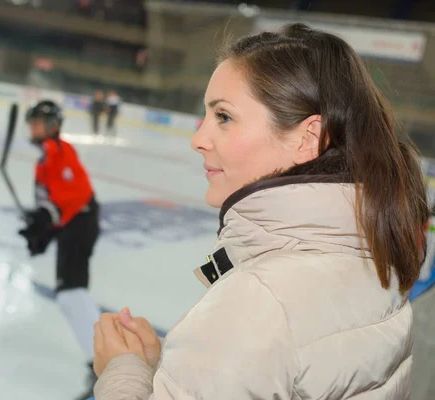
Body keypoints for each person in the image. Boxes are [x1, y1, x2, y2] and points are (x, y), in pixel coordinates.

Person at [92, 23, 428, 399]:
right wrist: (171, 372)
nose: (198, 139)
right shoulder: (373, 255)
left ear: (307, 139)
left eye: (223, 117)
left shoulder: (258, 304)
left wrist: (122, 371)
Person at [17, 100, 101, 400]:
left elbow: (73, 195)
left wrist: (45, 218)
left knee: (71, 295)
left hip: (81, 223)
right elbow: (54, 205)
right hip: (74, 225)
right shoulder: (46, 157)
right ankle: (101, 360)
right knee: (71, 296)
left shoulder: (58, 150)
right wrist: (42, 233)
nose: (33, 126)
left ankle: (103, 364)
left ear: (52, 124)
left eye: (38, 121)